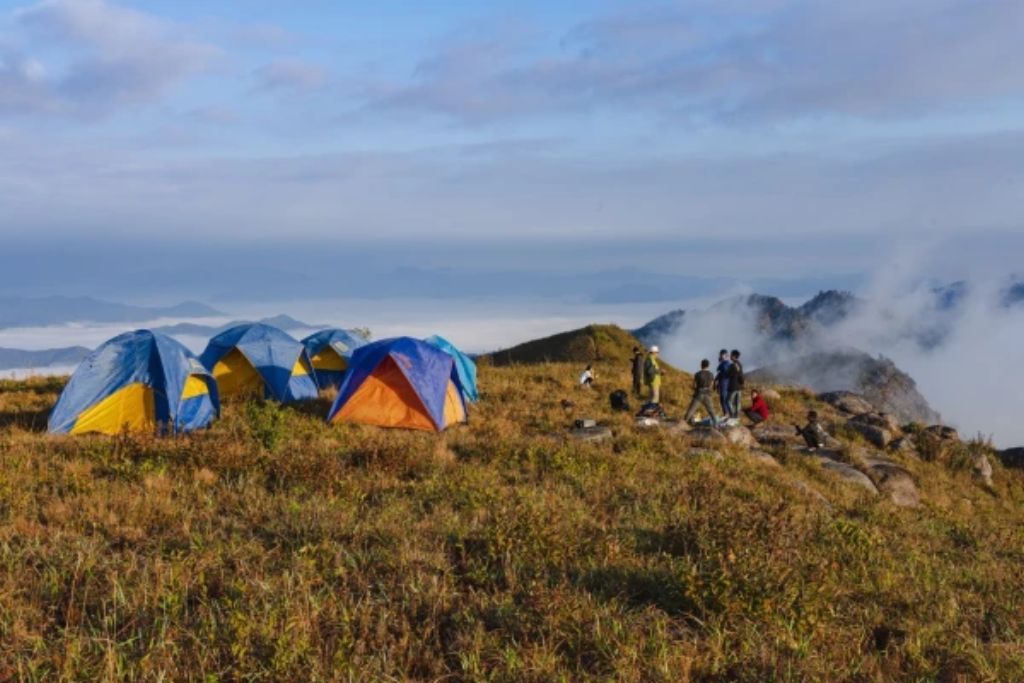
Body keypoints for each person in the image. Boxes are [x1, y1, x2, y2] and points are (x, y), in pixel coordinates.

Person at [684, 359, 718, 424]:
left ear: (701, 365)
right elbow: (711, 385)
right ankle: (716, 423)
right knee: (711, 410)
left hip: (699, 393)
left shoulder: (697, 374)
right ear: (708, 366)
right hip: (707, 394)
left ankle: (684, 422)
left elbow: (694, 385)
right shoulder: (711, 374)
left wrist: (695, 389)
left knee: (691, 409)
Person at [725, 349, 744, 418]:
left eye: (731, 355)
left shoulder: (732, 365)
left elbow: (727, 375)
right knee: (737, 403)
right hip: (739, 386)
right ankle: (737, 416)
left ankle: (732, 415)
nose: (730, 356)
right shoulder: (740, 364)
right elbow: (741, 375)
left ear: (733, 356)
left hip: (733, 386)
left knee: (728, 401)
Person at [714, 349, 732, 416]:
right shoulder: (722, 364)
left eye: (722, 354)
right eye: (720, 354)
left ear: (725, 355)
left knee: (724, 399)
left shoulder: (726, 363)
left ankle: (729, 414)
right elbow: (719, 374)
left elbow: (725, 373)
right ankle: (726, 414)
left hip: (725, 383)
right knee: (722, 400)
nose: (721, 356)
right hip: (722, 384)